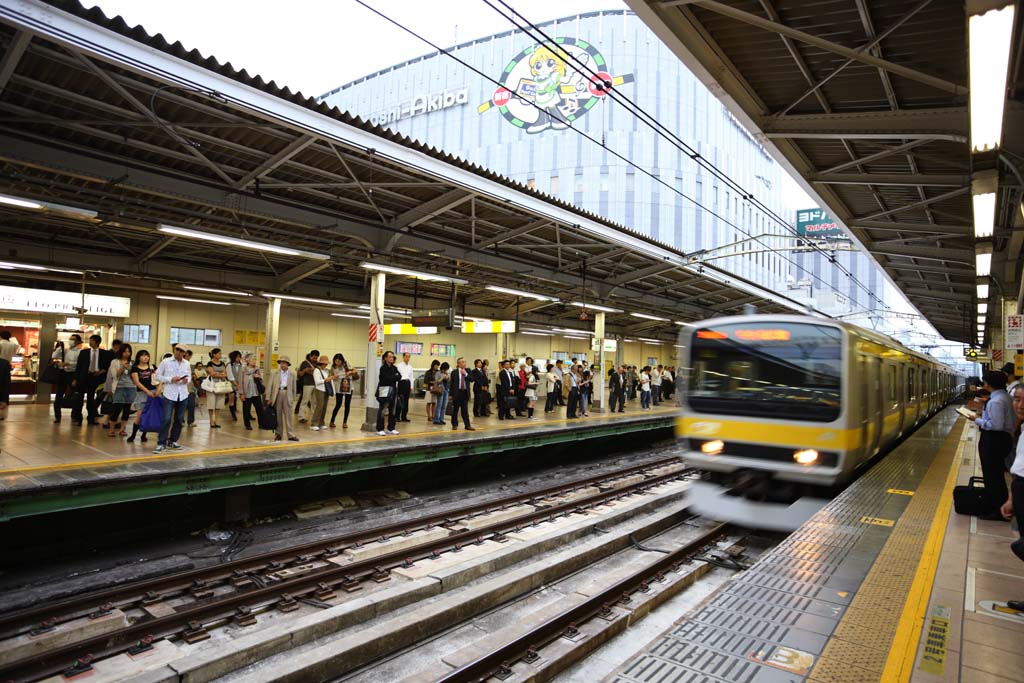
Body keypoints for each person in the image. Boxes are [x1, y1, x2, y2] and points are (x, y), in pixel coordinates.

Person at [970, 369, 1015, 519]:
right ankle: (996, 506)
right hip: (1000, 440)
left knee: (992, 477)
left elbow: (996, 425)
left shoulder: (996, 401)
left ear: (988, 384)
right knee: (995, 476)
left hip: (994, 440)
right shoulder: (1004, 397)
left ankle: (997, 511)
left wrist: (975, 419)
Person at [153, 344, 191, 452]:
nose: (179, 352)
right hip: (169, 394)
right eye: (177, 350)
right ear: (174, 350)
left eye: (181, 351)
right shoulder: (166, 362)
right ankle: (161, 442)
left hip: (183, 394)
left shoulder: (187, 363)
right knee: (166, 419)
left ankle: (173, 440)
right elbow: (157, 376)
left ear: (185, 353)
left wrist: (186, 380)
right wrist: (171, 379)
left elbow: (189, 377)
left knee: (179, 419)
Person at [127, 349, 156, 443]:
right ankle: (133, 435)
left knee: (148, 415)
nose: (145, 357)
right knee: (139, 415)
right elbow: (137, 382)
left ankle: (144, 435)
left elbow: (158, 379)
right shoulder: (135, 368)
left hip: (153, 392)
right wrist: (147, 391)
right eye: (143, 355)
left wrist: (157, 390)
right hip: (141, 394)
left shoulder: (152, 367)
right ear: (138, 357)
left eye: (147, 355)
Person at [105, 343, 134, 437]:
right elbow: (114, 375)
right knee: (117, 408)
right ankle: (111, 429)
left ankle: (122, 429)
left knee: (126, 409)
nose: (127, 353)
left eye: (129, 351)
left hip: (130, 388)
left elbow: (134, 376)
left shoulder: (132, 363)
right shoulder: (115, 362)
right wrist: (123, 367)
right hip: (119, 388)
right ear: (121, 352)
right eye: (125, 351)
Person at [267, 356, 299, 441]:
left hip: (287, 394)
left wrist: (293, 398)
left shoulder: (292, 374)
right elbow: (270, 386)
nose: (282, 364)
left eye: (284, 363)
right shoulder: (274, 373)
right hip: (277, 394)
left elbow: (294, 388)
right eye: (281, 362)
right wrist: (268, 398)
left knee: (288, 415)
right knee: (278, 415)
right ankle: (278, 434)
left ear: (288, 364)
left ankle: (290, 435)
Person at [57, 334, 83, 425]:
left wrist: (68, 363)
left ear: (78, 342)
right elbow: (54, 355)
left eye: (73, 339)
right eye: (70, 339)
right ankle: (57, 416)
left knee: (75, 396)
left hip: (73, 374)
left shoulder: (80, 352)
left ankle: (75, 415)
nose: (70, 341)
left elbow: (79, 364)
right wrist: (60, 347)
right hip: (63, 374)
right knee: (58, 395)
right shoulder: (65, 350)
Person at [376, 350, 401, 435]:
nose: (391, 358)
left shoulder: (394, 368)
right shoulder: (383, 368)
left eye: (392, 357)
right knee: (382, 410)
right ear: (385, 358)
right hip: (384, 391)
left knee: (392, 410)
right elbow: (385, 379)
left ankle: (391, 428)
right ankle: (380, 429)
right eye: (390, 357)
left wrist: (393, 377)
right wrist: (394, 377)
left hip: (393, 391)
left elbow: (399, 376)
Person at [237, 353, 263, 431]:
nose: (254, 361)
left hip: (256, 392)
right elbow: (240, 382)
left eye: (255, 359)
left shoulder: (257, 369)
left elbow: (261, 380)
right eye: (253, 359)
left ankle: (261, 424)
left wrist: (258, 377)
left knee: (259, 409)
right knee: (246, 410)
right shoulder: (243, 370)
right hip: (246, 393)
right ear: (248, 360)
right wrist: (241, 393)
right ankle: (247, 424)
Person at [329, 353, 355, 429]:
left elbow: (354, 370)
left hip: (348, 386)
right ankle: (332, 421)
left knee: (347, 405)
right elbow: (331, 376)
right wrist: (334, 377)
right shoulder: (333, 367)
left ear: (342, 360)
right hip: (338, 387)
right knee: (338, 404)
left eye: (339, 361)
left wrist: (350, 372)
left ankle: (345, 422)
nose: (337, 363)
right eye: (336, 361)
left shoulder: (347, 364)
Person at [205, 348, 229, 429]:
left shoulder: (222, 363)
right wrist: (220, 374)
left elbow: (225, 374)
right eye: (218, 353)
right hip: (212, 386)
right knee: (211, 404)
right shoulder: (209, 363)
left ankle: (216, 421)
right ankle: (211, 421)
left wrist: (218, 373)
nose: (220, 355)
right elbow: (212, 374)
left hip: (221, 386)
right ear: (214, 354)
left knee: (219, 404)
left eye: (220, 353)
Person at [450, 357, 475, 430]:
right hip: (457, 393)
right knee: (455, 410)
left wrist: (466, 374)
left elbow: (472, 379)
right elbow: (452, 384)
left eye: (465, 362)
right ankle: (454, 424)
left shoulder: (468, 370)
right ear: (458, 364)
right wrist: (450, 394)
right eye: (462, 362)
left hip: (464, 393)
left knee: (465, 410)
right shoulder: (454, 372)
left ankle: (467, 425)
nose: (464, 363)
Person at [295, 350, 319, 423]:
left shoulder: (317, 364)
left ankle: (313, 417)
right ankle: (301, 417)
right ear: (310, 356)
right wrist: (305, 370)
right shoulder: (304, 363)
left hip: (316, 384)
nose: (315, 359)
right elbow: (300, 374)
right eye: (314, 358)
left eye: (316, 358)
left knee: (314, 402)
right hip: (307, 384)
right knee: (305, 400)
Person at [310, 355, 330, 431]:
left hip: (326, 390)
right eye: (325, 363)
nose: (326, 364)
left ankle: (321, 423)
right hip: (319, 390)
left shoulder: (325, 371)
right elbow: (317, 382)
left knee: (324, 407)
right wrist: (326, 380)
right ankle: (314, 423)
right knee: (319, 407)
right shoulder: (316, 370)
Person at [396, 352, 414, 423]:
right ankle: (397, 416)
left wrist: (411, 386)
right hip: (401, 383)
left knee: (406, 401)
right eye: (406, 356)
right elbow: (397, 376)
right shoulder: (399, 365)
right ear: (403, 357)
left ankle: (404, 416)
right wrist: (396, 386)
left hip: (407, 383)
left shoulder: (410, 367)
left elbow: (411, 377)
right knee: (400, 401)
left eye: (409, 357)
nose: (408, 358)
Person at [226, 350, 243, 422]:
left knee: (244, 399)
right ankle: (233, 415)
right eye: (237, 357)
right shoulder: (229, 365)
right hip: (231, 385)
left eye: (239, 357)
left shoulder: (242, 365)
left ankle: (249, 415)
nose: (239, 358)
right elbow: (230, 376)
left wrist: (240, 385)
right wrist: (236, 384)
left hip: (240, 385)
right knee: (231, 400)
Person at [433, 361, 451, 425]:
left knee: (444, 406)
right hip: (440, 390)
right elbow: (437, 382)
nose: (445, 370)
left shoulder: (446, 373)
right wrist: (442, 377)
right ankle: (436, 419)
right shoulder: (438, 373)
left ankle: (441, 419)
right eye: (445, 369)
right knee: (439, 405)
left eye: (446, 369)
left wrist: (447, 376)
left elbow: (449, 381)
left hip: (446, 390)